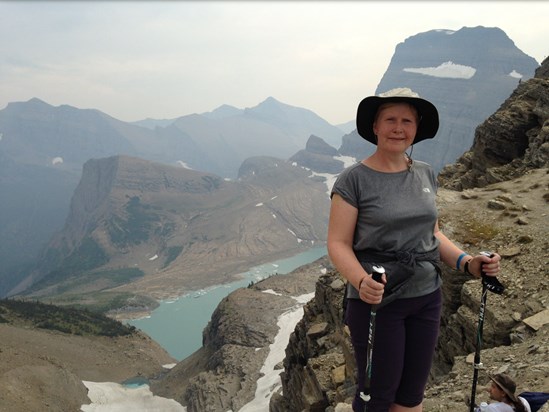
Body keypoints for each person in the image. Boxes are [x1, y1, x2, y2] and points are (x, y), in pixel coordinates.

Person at [327, 88, 502, 412]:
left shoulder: (423, 172)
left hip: (427, 298)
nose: (398, 127)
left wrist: (468, 263)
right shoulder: (353, 180)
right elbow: (337, 243)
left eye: (407, 120)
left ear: (417, 128)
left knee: (410, 397)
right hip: (379, 303)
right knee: (376, 398)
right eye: (390, 119)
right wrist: (361, 280)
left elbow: (431, 233)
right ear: (375, 127)